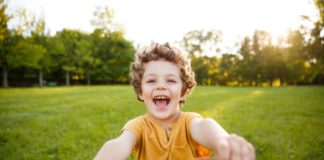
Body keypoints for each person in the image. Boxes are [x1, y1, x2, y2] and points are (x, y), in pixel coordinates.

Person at [94, 43, 255, 160]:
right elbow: (119, 144)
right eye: (151, 81)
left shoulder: (189, 122)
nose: (161, 86)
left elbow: (205, 126)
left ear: (183, 91)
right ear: (141, 92)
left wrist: (223, 141)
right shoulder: (138, 126)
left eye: (170, 81)